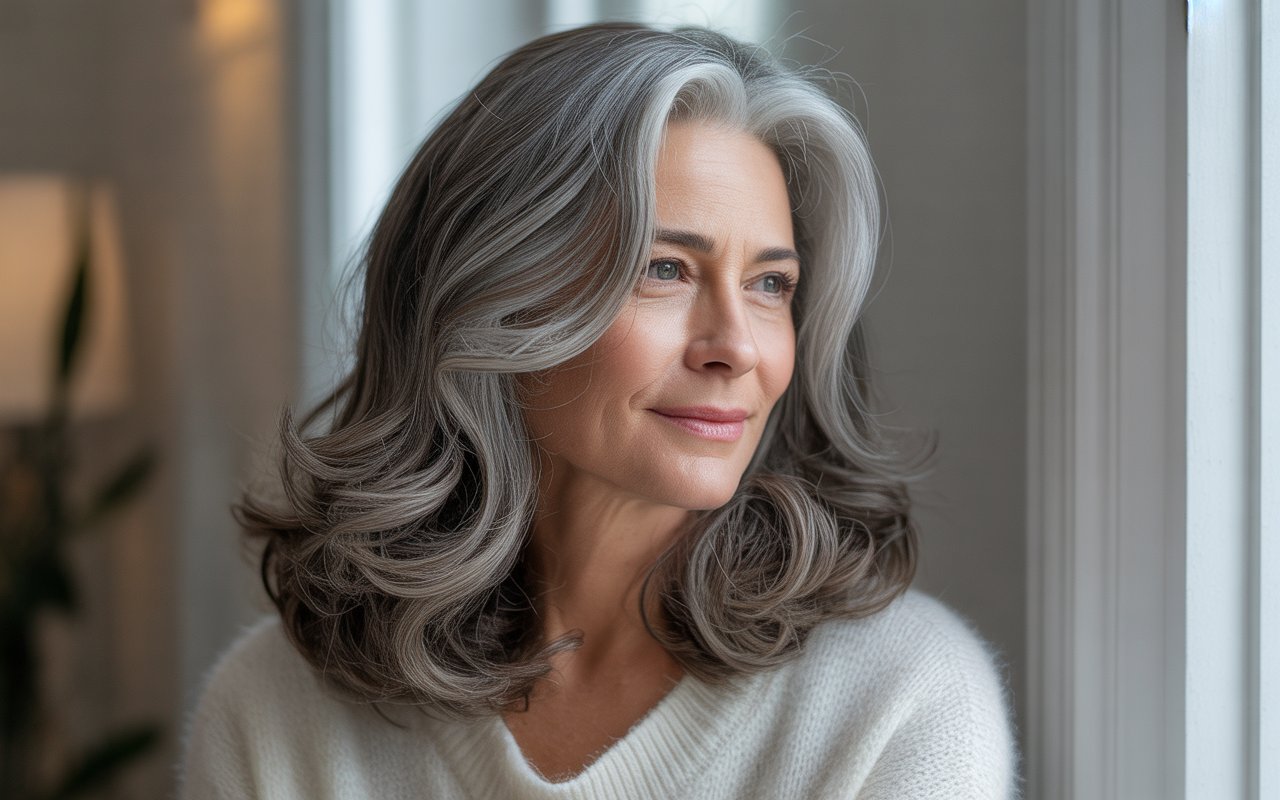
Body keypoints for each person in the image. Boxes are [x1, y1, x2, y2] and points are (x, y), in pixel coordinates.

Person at [179, 21, 1020, 799]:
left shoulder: (900, 701)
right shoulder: (275, 711)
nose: (738, 347)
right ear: (492, 300)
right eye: (664, 269)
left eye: (771, 285)